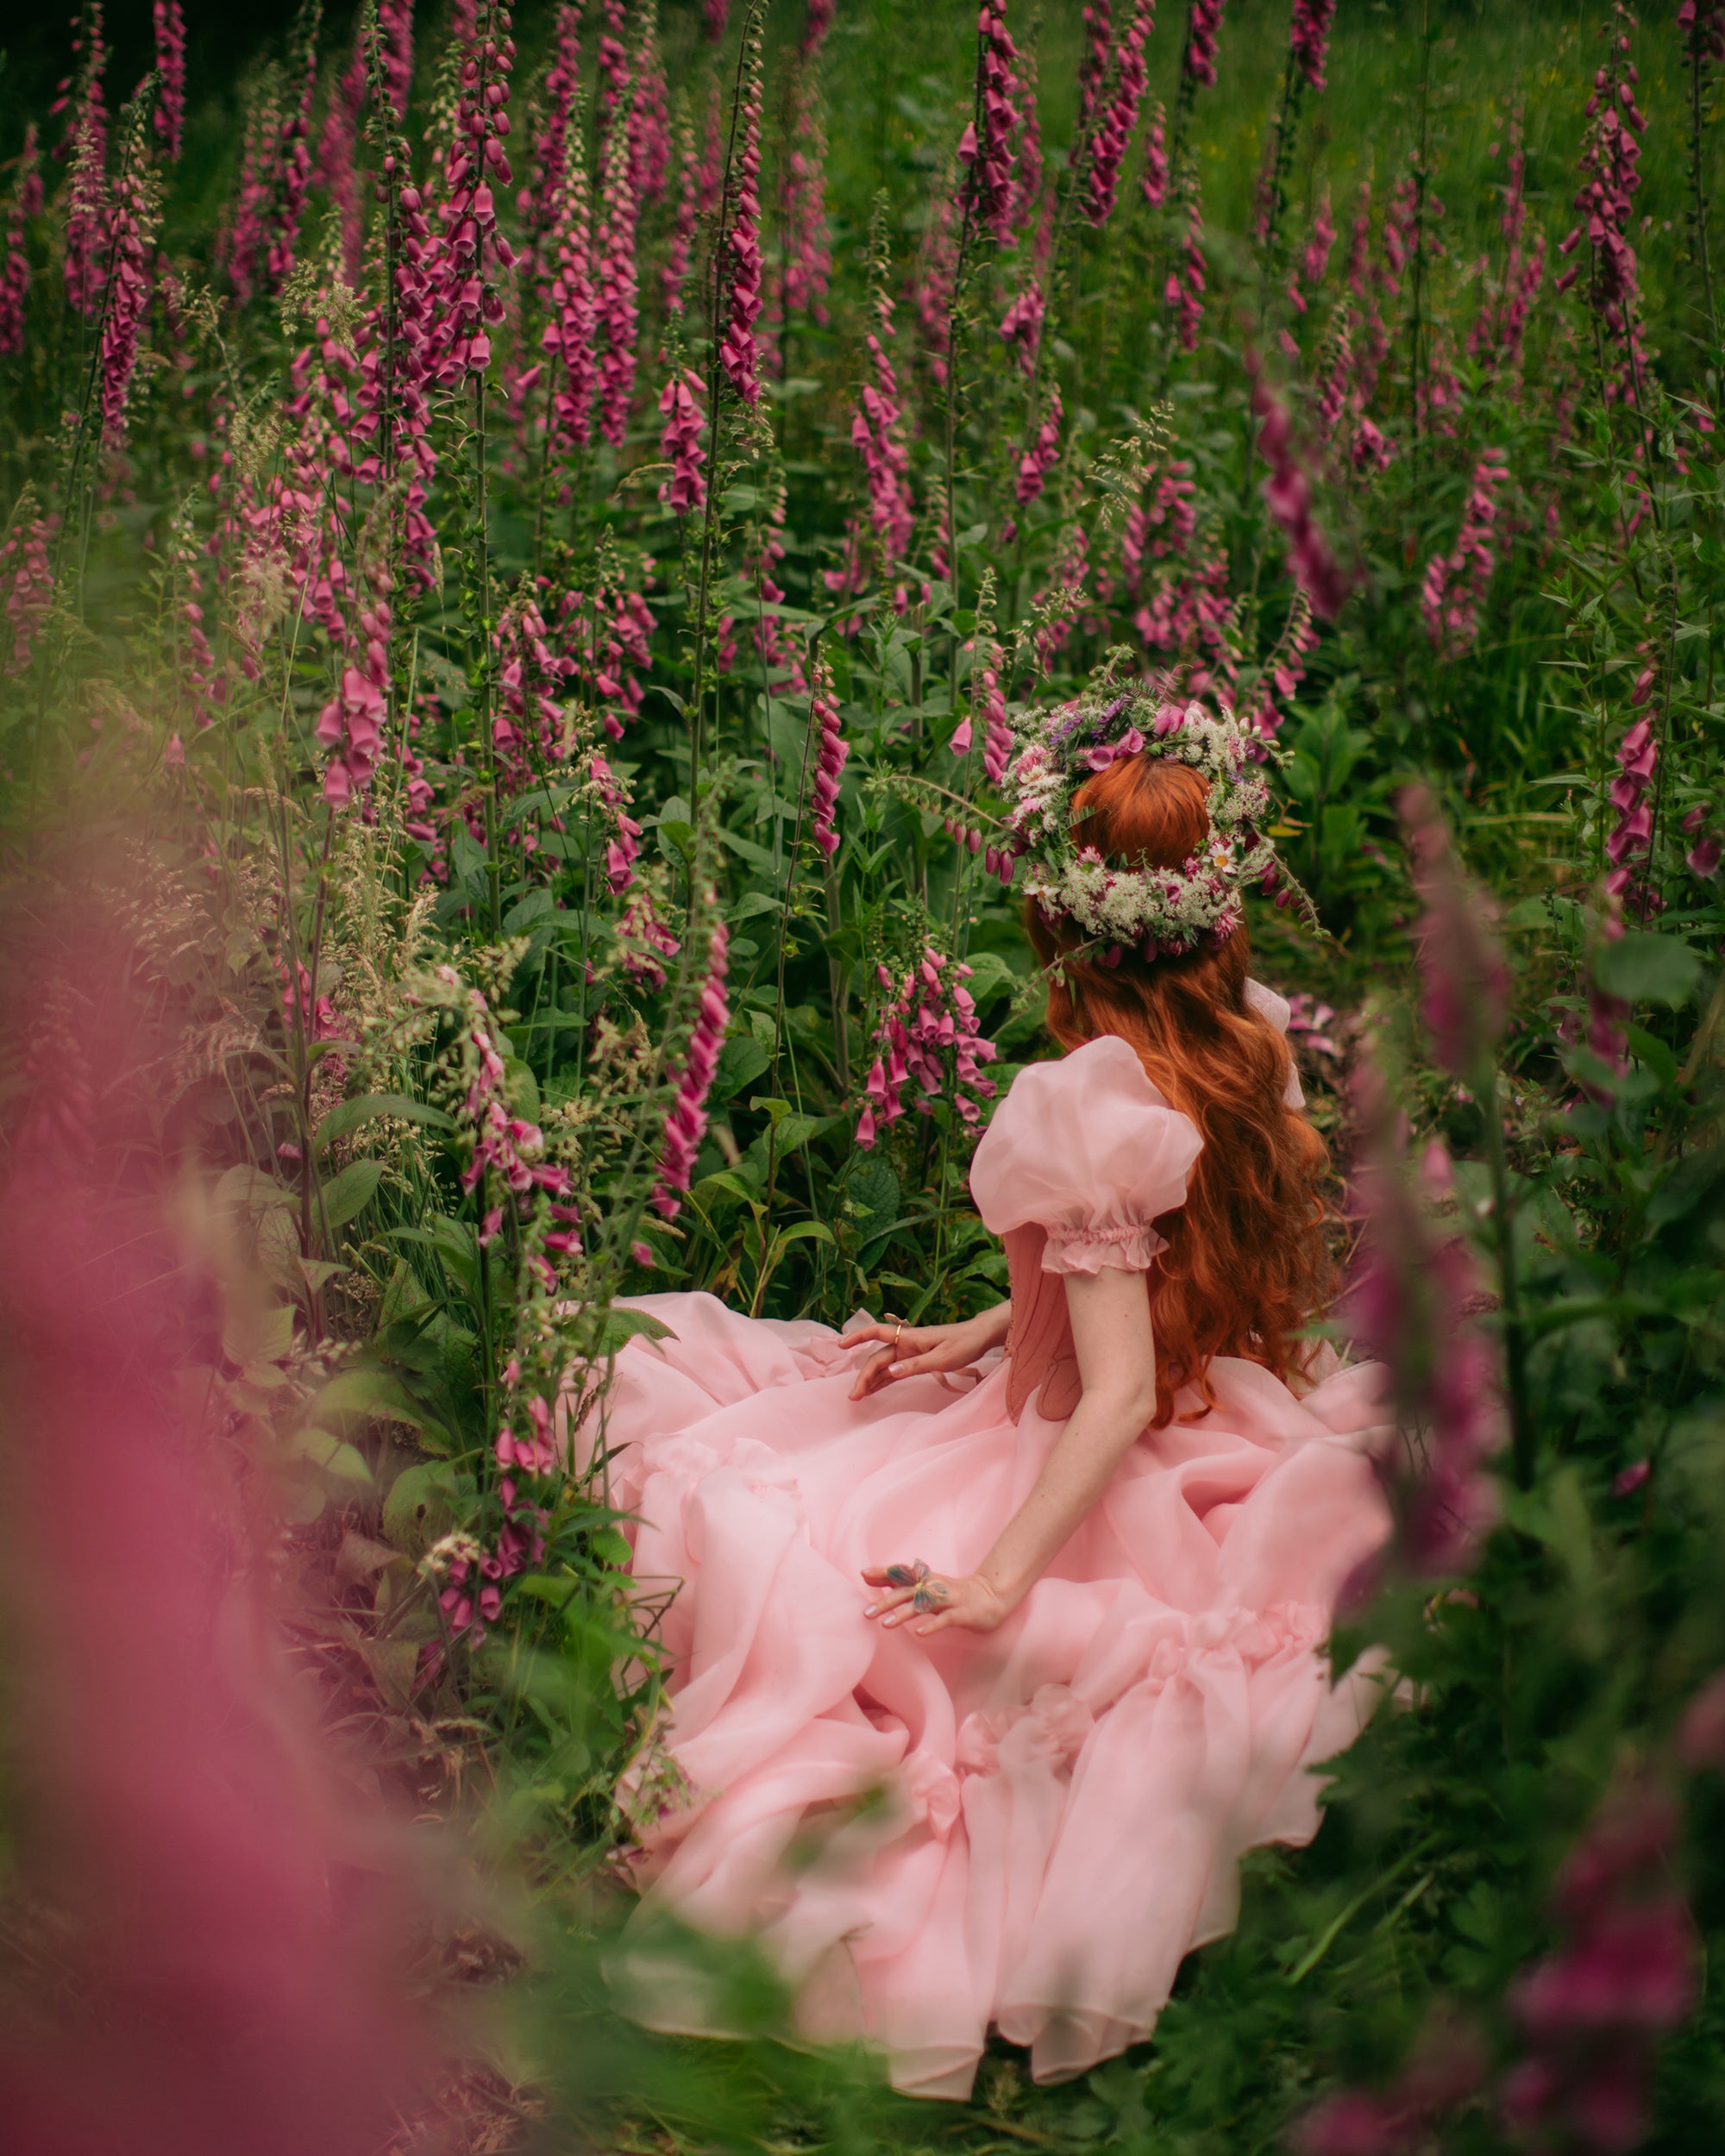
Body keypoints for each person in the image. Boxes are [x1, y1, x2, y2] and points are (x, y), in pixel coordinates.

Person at [593, 682, 1391, 2101]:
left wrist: (1002, 1578)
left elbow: (1119, 1389)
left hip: (1099, 1448)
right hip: (1230, 1407)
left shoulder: (1088, 1098)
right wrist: (974, 1333)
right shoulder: (1249, 1043)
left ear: (1062, 922)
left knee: (755, 1517)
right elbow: (1131, 1287)